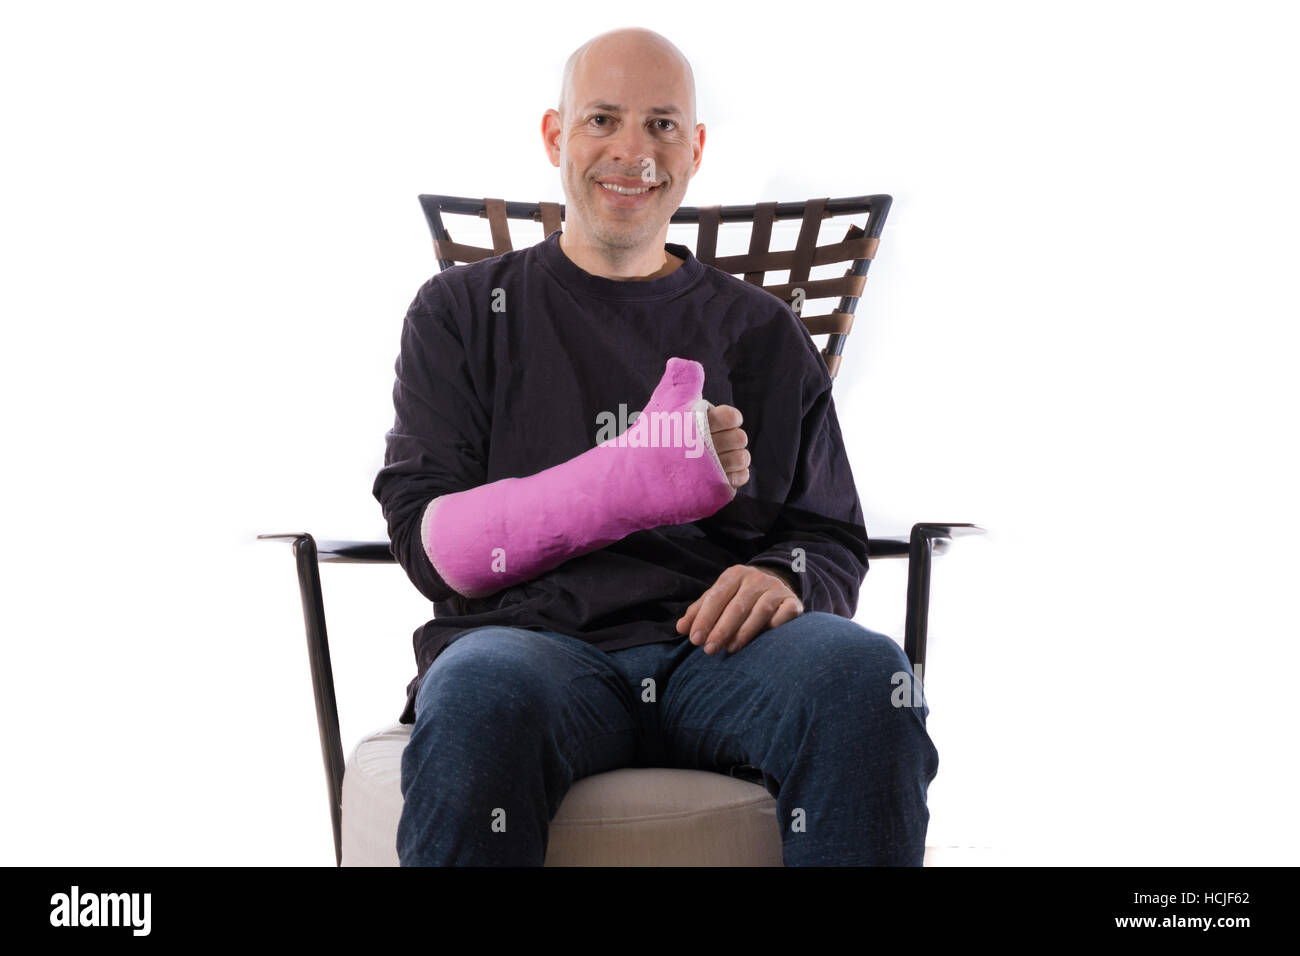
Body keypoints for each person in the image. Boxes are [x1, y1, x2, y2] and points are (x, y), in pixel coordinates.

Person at [372, 26, 938, 866]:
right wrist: (623, 478)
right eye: (602, 119)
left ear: (697, 148)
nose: (633, 151)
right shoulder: (459, 311)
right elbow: (431, 547)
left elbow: (831, 537)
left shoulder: (761, 331)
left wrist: (782, 574)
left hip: (725, 655)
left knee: (865, 679)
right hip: (532, 649)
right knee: (480, 695)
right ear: (555, 136)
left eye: (663, 125)